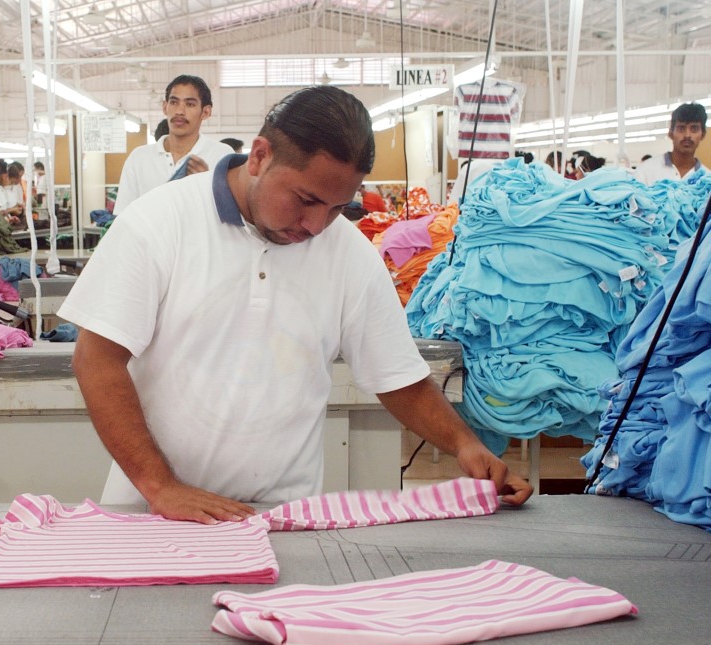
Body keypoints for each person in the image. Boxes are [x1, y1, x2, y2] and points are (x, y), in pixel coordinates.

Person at [57, 86, 532, 525]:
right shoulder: (157, 223)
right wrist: (161, 486)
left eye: (335, 208)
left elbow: (398, 377)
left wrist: (466, 446)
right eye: (305, 200)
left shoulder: (347, 254)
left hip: (280, 517)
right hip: (152, 511)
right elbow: (97, 360)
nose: (316, 225)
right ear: (261, 155)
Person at [113, 74, 233, 215]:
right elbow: (124, 217)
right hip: (150, 237)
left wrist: (206, 186)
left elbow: (230, 217)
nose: (179, 111)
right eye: (174, 102)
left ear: (205, 112)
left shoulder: (222, 156)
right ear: (165, 107)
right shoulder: (139, 158)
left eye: (190, 104)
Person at [634, 102, 708, 186]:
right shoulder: (645, 171)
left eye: (694, 128)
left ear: (703, 134)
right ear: (670, 133)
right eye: (681, 128)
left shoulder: (707, 179)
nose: (687, 135)